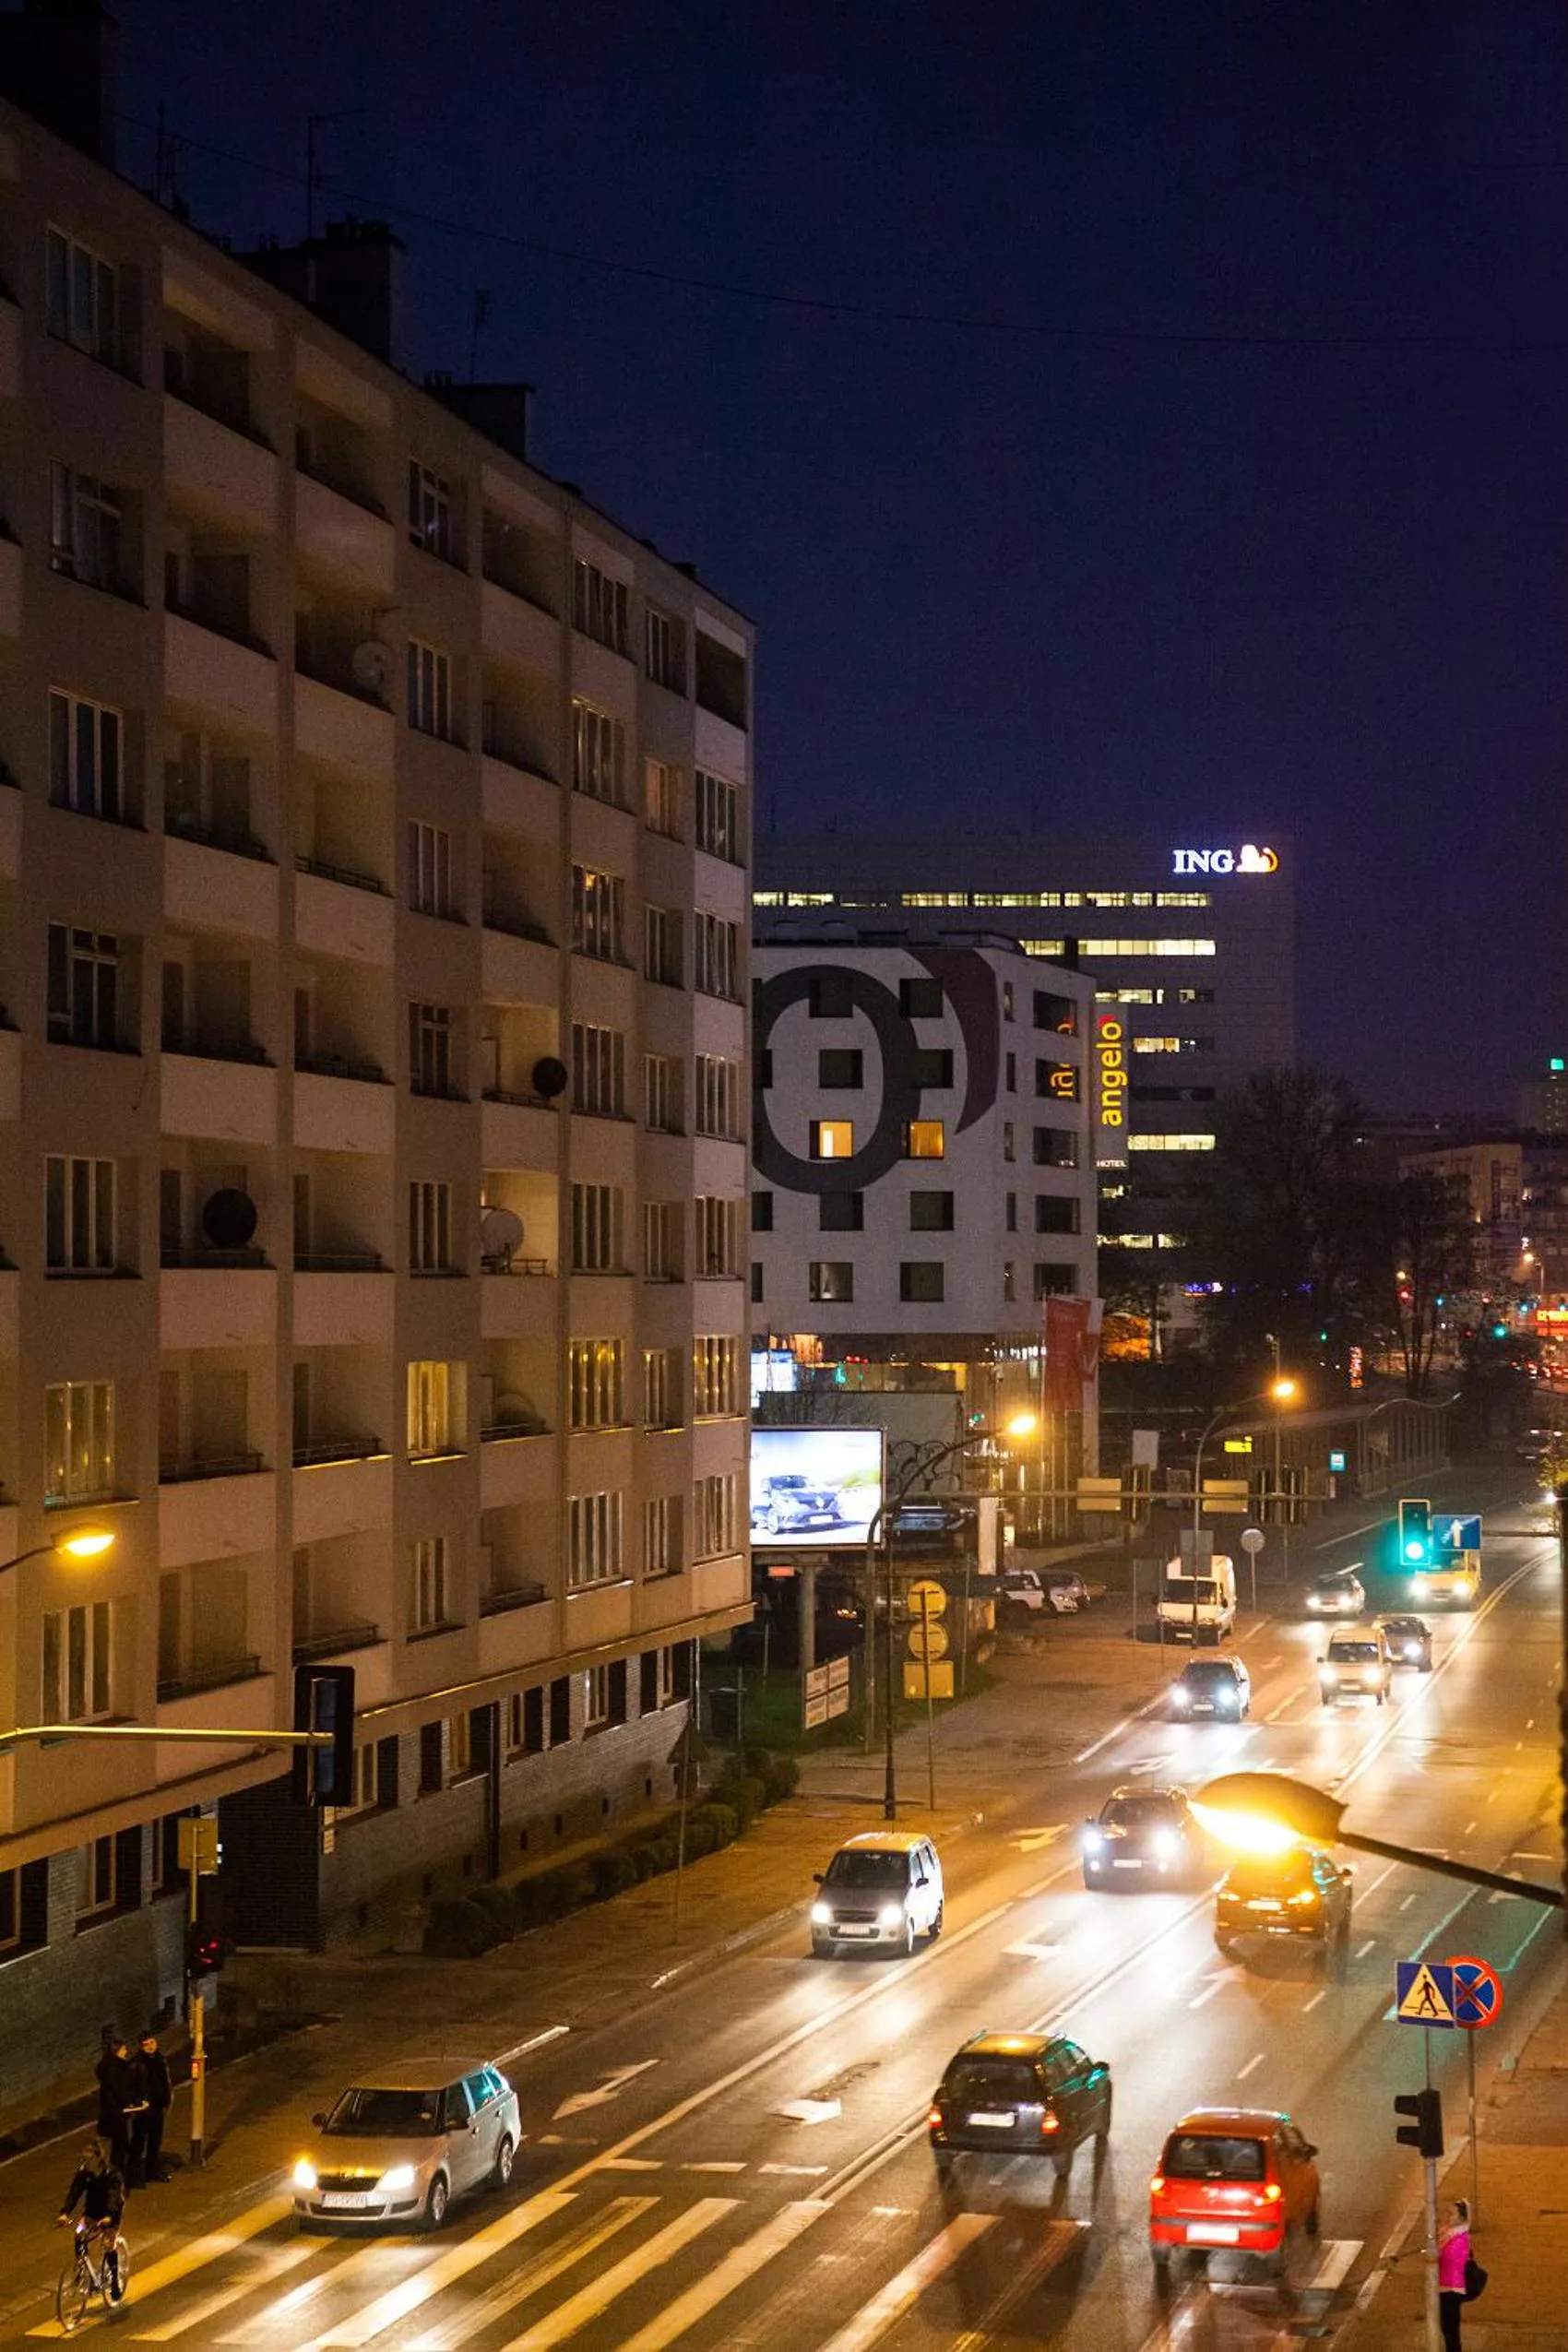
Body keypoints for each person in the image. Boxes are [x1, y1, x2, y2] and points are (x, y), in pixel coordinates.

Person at [58, 2138, 125, 2300]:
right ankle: (81, 2268)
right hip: (92, 2211)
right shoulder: (84, 2173)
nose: (86, 2162)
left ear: (98, 2158)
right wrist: (65, 2212)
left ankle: (115, 2281)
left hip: (111, 2212)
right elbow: (74, 2193)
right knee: (79, 2233)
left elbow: (113, 2196)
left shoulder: (112, 2175)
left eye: (89, 2159)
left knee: (109, 2244)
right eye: (84, 2159)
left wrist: (109, 2217)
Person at [94, 2037, 144, 2176]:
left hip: (110, 2113)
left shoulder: (109, 2067)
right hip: (117, 2113)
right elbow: (120, 2091)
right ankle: (116, 2179)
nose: (125, 2051)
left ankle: (115, 2175)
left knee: (117, 2147)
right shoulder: (115, 2069)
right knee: (120, 2148)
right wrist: (135, 2102)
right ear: (116, 2051)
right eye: (123, 2049)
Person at [129, 2032, 172, 2186]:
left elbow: (164, 2081)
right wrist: (138, 2102)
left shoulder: (160, 2059)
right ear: (142, 2047)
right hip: (143, 2110)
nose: (151, 2046)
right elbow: (129, 2087)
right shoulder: (136, 2064)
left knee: (155, 2142)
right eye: (146, 2044)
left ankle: (151, 2171)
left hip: (157, 2107)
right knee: (139, 2143)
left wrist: (167, 2099)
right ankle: (134, 2176)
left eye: (152, 2042)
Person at [1438, 2196, 1471, 2352]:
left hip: (1452, 2288)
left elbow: (1450, 2260)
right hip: (1445, 2285)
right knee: (1447, 2327)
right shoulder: (1448, 2234)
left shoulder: (1459, 2238)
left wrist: (1437, 2251)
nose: (1447, 2217)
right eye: (1447, 2213)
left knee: (1450, 2328)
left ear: (1462, 2218)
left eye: (1451, 2214)